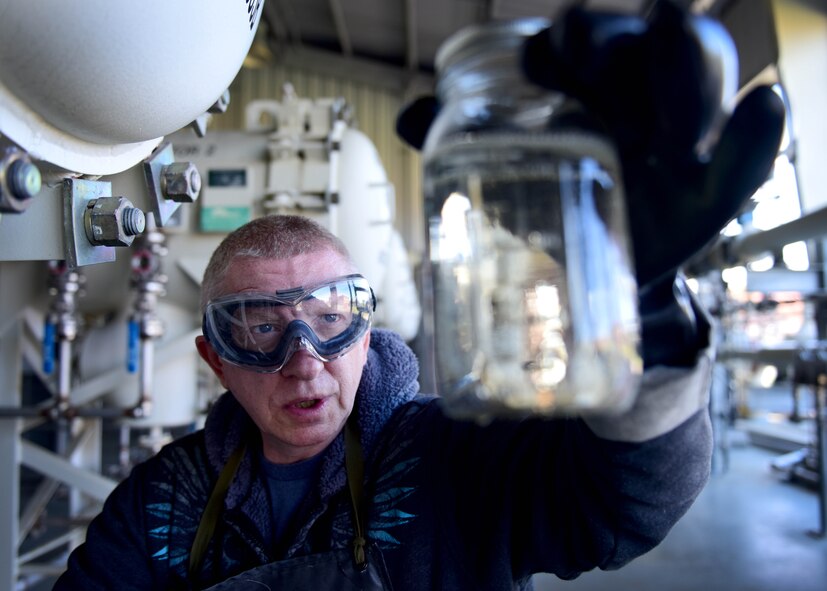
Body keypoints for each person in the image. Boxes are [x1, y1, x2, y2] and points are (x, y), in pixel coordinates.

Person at [55, 1, 784, 589]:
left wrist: (645, 303)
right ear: (213, 359)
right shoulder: (159, 502)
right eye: (259, 329)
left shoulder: (458, 460)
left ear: (367, 330)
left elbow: (627, 501)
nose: (304, 362)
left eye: (331, 320)